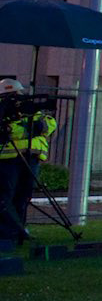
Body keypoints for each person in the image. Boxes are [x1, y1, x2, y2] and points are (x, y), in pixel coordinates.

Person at [1, 79, 53, 255]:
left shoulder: (30, 109)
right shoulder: (3, 111)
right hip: (8, 159)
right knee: (6, 196)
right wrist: (30, 129)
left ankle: (18, 231)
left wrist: (39, 126)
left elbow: (49, 124)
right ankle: (9, 233)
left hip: (31, 158)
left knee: (23, 196)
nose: (17, 97)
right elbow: (11, 132)